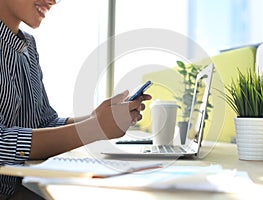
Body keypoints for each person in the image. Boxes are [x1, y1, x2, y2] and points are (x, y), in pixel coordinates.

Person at [0, 0, 152, 199]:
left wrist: (94, 118)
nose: (53, 1)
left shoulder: (28, 47)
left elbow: (43, 122)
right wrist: (93, 129)